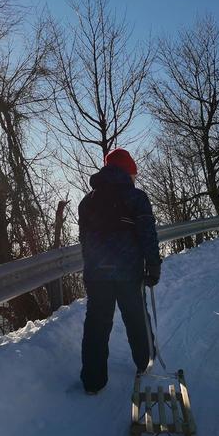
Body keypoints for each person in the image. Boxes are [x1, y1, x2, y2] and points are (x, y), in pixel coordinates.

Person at [78, 148, 161, 394]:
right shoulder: (135, 197)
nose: (135, 178)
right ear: (127, 171)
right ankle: (144, 362)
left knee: (96, 324)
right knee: (135, 317)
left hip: (96, 273)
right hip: (127, 271)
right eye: (134, 174)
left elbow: (84, 239)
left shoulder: (87, 201)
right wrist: (153, 265)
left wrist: (92, 266)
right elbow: (147, 233)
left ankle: (93, 382)